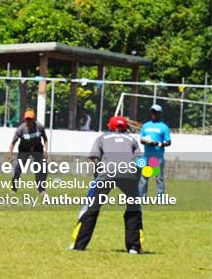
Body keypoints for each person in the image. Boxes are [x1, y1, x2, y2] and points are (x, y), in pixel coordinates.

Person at [69, 115, 144, 253]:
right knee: (134, 208)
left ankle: (78, 245)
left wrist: (98, 177)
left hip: (107, 173)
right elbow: (140, 161)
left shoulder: (102, 138)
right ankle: (134, 247)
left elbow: (95, 159)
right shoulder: (132, 139)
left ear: (109, 126)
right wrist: (135, 179)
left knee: (92, 208)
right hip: (129, 173)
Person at [7, 110, 49, 194]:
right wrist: (10, 154)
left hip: (37, 148)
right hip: (24, 149)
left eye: (30, 119)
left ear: (34, 119)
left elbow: (45, 139)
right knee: (18, 168)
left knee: (42, 168)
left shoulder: (39, 127)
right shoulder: (21, 129)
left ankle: (41, 189)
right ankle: (14, 189)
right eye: (27, 119)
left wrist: (45, 150)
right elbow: (13, 142)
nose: (28, 121)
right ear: (25, 119)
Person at [138, 104, 171, 198]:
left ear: (160, 114)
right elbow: (141, 140)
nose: (153, 114)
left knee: (159, 178)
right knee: (144, 178)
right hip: (146, 156)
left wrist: (157, 144)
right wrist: (146, 141)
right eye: (152, 112)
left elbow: (168, 142)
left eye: (156, 112)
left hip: (157, 157)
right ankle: (142, 197)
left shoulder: (164, 127)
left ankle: (160, 197)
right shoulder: (145, 126)